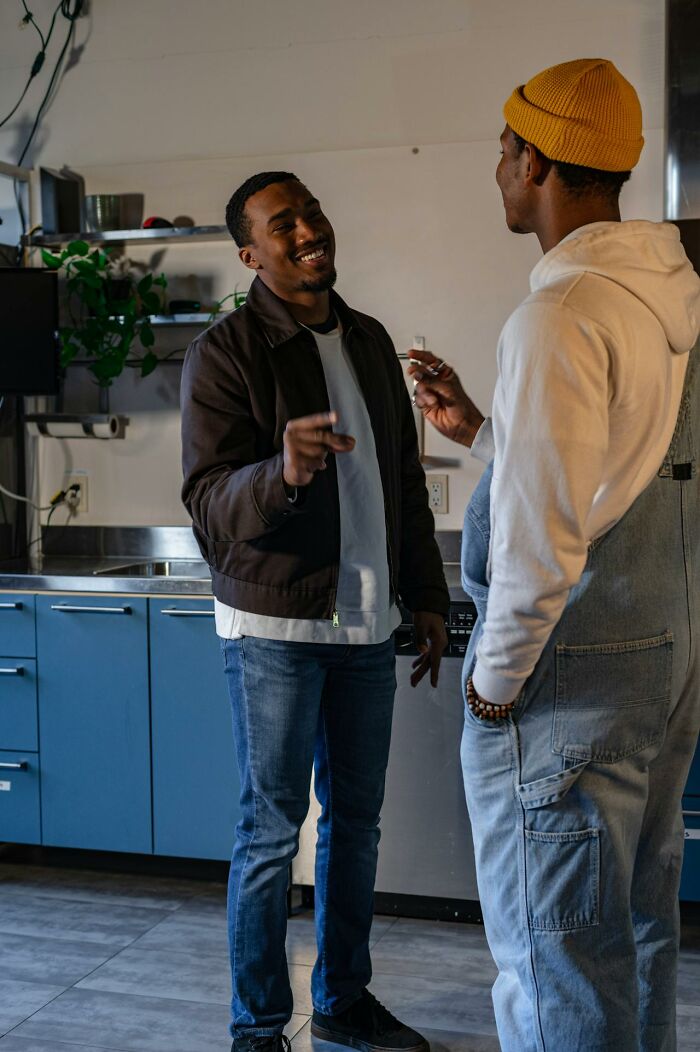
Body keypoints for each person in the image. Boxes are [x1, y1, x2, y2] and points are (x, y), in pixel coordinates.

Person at [411, 58, 700, 1051]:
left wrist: (491, 694)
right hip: (662, 665)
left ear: (531, 161)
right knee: (637, 929)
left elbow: (540, 544)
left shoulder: (559, 312)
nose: (497, 169)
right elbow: (618, 467)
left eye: (502, 151)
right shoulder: (668, 293)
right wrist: (484, 432)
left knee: (554, 959)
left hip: (566, 687)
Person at [180, 171, 449, 1052]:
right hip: (276, 633)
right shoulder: (225, 352)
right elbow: (208, 501)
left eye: (312, 211)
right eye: (281, 223)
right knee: (269, 835)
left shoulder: (367, 339)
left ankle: (340, 1002)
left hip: (367, 625)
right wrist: (281, 473)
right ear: (250, 253)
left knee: (357, 827)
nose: (307, 231)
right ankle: (258, 1030)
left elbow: (400, 481)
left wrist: (428, 596)